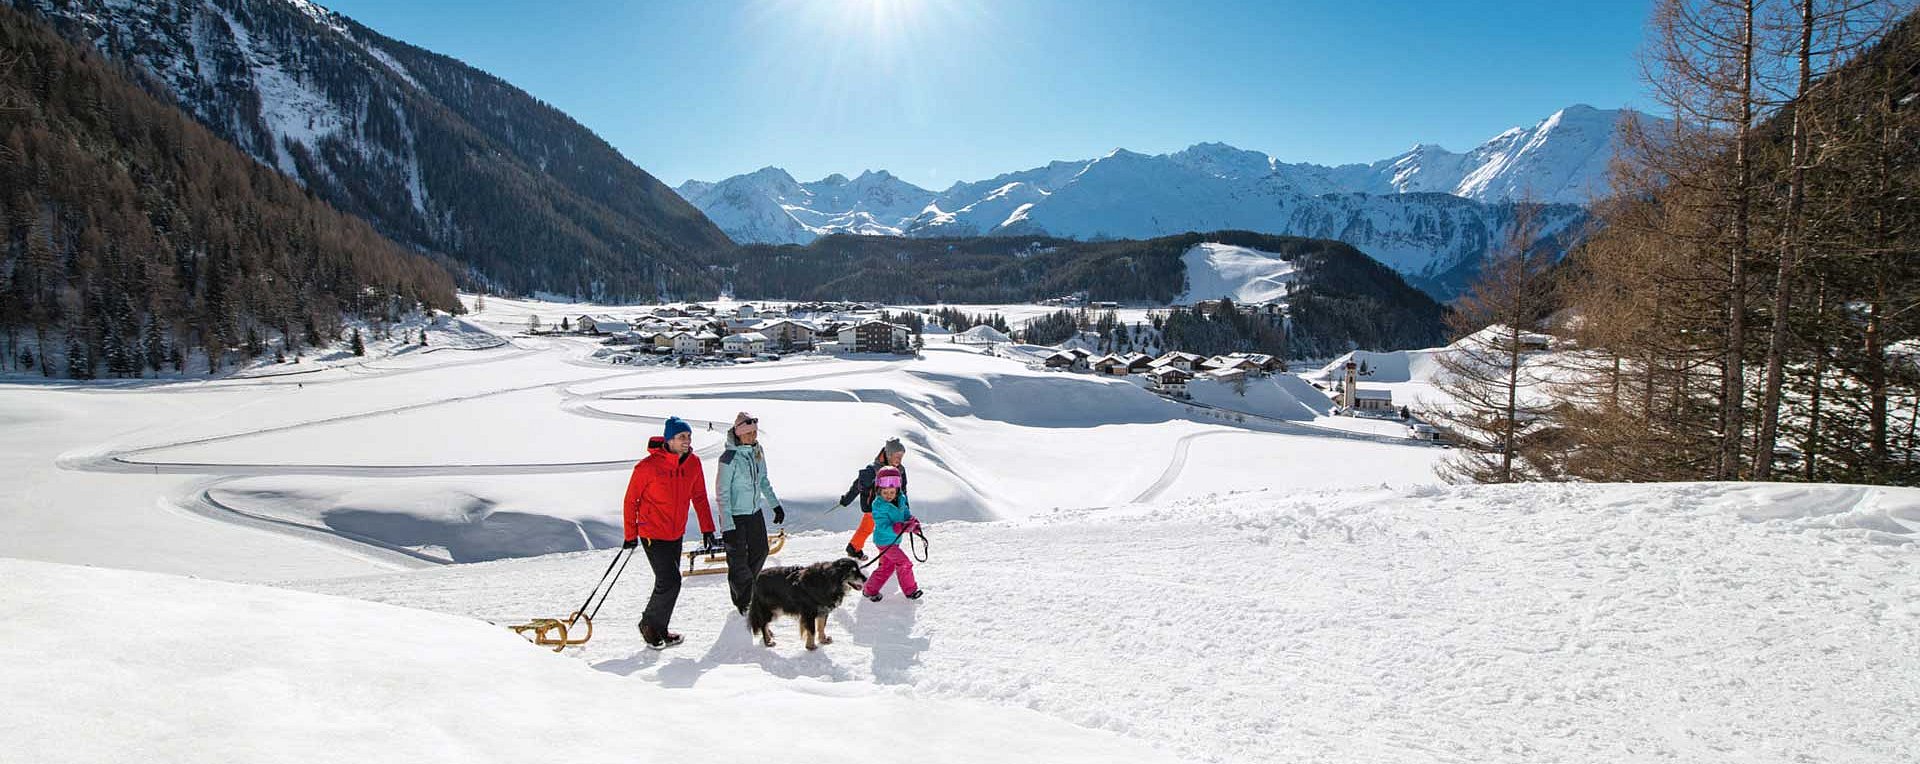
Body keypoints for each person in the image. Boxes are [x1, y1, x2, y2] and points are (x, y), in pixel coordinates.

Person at [622, 416, 716, 650]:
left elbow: (700, 497)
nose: (687, 441)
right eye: (681, 437)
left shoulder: (693, 463)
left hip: (676, 532)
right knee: (670, 580)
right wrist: (630, 534)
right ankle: (648, 625)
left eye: (689, 437)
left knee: (669, 582)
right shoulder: (647, 467)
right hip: (652, 532)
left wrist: (707, 529)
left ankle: (660, 628)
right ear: (669, 439)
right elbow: (630, 501)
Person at [715, 411, 784, 614]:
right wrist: (727, 525)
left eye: (754, 432)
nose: (752, 437)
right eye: (748, 433)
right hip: (735, 516)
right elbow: (722, 493)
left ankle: (749, 590)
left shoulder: (757, 451)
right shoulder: (729, 459)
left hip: (754, 512)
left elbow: (763, 480)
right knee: (738, 561)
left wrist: (775, 505)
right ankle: (743, 601)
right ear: (738, 434)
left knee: (761, 551)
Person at [838, 438, 907, 560]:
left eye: (901, 457)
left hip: (891, 505)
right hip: (874, 506)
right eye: (897, 457)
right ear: (888, 454)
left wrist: (904, 509)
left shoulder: (900, 470)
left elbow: (903, 490)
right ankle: (886, 558)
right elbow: (857, 485)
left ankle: (854, 548)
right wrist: (847, 500)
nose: (899, 460)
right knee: (883, 530)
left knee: (872, 528)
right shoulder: (873, 469)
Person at [861, 466, 922, 602]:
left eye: (891, 492)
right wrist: (898, 528)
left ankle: (869, 590)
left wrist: (912, 523)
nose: (889, 495)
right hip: (884, 542)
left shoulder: (901, 499)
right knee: (904, 563)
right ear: (879, 490)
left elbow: (905, 513)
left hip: (894, 541)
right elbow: (882, 526)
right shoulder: (878, 506)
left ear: (897, 490)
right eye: (885, 492)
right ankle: (911, 591)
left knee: (887, 567)